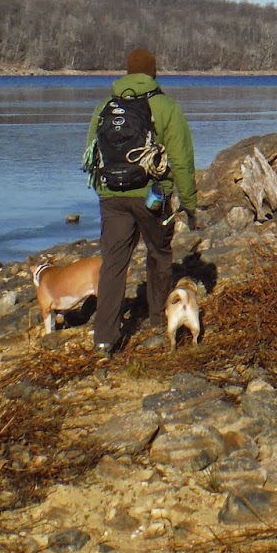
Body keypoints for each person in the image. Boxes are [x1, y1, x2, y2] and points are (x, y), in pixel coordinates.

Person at [83, 46, 198, 357]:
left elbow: (93, 154)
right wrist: (188, 203)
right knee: (159, 254)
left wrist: (104, 193)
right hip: (153, 195)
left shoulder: (105, 106)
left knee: (113, 265)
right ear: (153, 72)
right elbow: (182, 160)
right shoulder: (166, 106)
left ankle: (104, 338)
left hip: (112, 197)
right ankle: (156, 319)